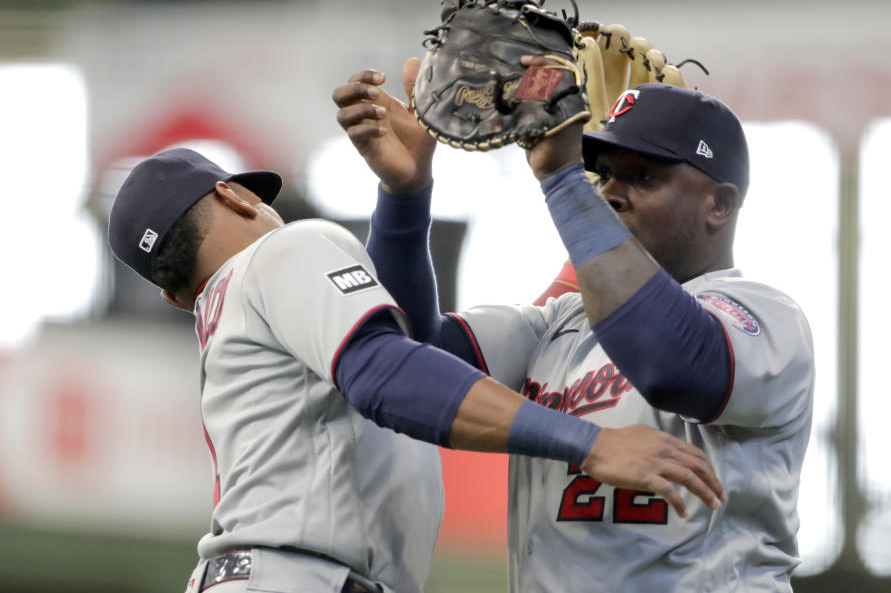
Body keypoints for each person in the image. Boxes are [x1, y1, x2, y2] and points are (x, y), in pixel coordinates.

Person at [106, 148, 725, 593]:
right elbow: (388, 371)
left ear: (172, 294)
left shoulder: (229, 313)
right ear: (233, 194)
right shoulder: (282, 249)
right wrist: (591, 443)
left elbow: (420, 342)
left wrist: (404, 197)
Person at [332, 57, 815, 591]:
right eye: (602, 174)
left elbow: (673, 364)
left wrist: (564, 182)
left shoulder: (762, 316)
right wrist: (405, 196)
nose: (608, 191)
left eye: (643, 176)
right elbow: (410, 355)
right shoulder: (562, 323)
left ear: (719, 205)